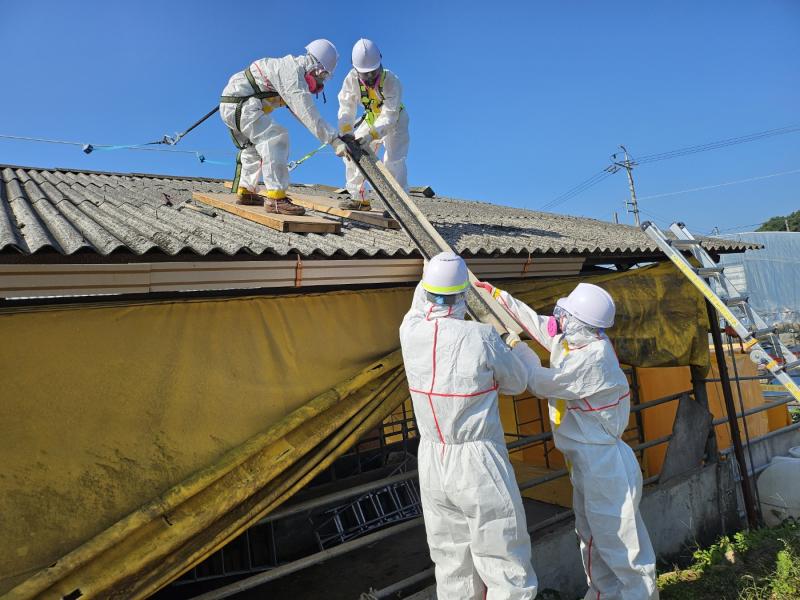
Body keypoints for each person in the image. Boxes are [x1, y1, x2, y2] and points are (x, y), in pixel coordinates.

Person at [475, 280, 659, 600]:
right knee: (590, 539)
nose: (557, 319)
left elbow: (540, 382)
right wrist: (497, 296)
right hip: (586, 462)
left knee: (623, 547)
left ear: (579, 323)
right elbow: (536, 324)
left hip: (605, 465)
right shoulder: (575, 343)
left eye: (564, 315)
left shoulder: (594, 358)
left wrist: (517, 348)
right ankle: (602, 595)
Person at [399, 252, 538, 600]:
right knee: (504, 557)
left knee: (451, 563)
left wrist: (434, 272)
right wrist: (509, 345)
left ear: (425, 288)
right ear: (464, 294)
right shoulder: (481, 337)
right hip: (478, 460)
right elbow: (518, 382)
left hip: (432, 458)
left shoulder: (410, 330)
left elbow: (425, 300)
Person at [219, 39, 348, 215]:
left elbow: (300, 114)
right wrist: (333, 140)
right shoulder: (292, 73)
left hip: (233, 106)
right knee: (275, 138)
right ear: (317, 68)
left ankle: (246, 191)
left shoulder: (287, 70)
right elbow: (307, 112)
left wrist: (331, 137)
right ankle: (276, 199)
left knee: (252, 148)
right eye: (323, 76)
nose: (320, 82)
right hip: (242, 106)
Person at [337, 38, 409, 210]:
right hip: (371, 119)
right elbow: (346, 106)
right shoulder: (351, 79)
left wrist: (372, 135)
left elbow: (389, 116)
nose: (369, 78)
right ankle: (360, 199)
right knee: (353, 153)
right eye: (365, 74)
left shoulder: (392, 81)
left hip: (396, 121)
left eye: (373, 72)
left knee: (393, 161)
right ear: (355, 68)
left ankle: (399, 206)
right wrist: (347, 132)